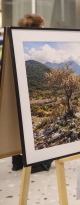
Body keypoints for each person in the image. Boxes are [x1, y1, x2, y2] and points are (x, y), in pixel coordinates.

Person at [12, 14, 52, 173]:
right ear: (38, 27)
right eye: (42, 26)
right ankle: (37, 164)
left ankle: (17, 162)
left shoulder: (14, 40)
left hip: (17, 91)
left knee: (18, 127)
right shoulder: (32, 43)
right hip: (27, 91)